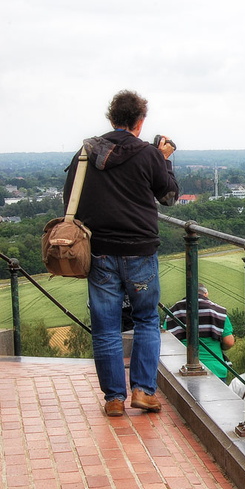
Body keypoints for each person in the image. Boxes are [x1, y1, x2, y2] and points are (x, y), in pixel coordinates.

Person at [64, 90, 178, 417]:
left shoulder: (86, 153)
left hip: (98, 252)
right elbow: (169, 197)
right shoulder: (149, 155)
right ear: (139, 123)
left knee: (106, 327)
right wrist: (165, 158)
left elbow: (69, 197)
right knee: (145, 319)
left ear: (111, 119)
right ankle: (142, 391)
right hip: (140, 251)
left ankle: (114, 398)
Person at [163, 283, 235, 380]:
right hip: (214, 368)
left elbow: (167, 340)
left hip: (181, 367)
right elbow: (229, 341)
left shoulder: (173, 311)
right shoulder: (218, 311)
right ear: (205, 294)